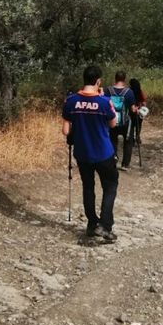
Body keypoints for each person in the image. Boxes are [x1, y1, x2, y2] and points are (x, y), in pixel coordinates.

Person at [62, 64, 119, 245]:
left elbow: (65, 130)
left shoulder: (71, 101)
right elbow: (113, 124)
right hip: (103, 153)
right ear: (98, 81)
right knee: (110, 186)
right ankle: (105, 225)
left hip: (82, 153)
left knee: (88, 187)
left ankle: (92, 224)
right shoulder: (104, 102)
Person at [105, 70, 137, 171]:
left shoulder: (108, 90)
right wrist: (137, 110)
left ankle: (113, 159)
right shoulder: (129, 92)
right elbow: (132, 109)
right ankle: (125, 164)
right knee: (128, 142)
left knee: (112, 140)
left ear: (115, 78)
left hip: (112, 120)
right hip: (125, 122)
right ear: (124, 79)